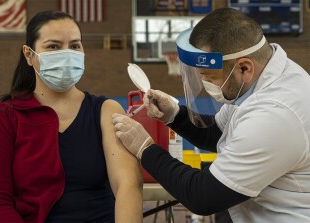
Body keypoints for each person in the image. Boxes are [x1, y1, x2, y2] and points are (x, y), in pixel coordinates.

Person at [112, 7, 310, 223]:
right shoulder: (259, 81)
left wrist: (145, 149)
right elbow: (216, 134)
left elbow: (202, 196)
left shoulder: (275, 114)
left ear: (244, 68)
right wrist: (175, 115)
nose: (207, 86)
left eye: (210, 77)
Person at [0, 10, 143, 223]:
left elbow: (128, 186)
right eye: (53, 46)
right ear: (29, 55)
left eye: (74, 46)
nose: (67, 54)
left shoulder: (107, 111)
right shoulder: (2, 117)